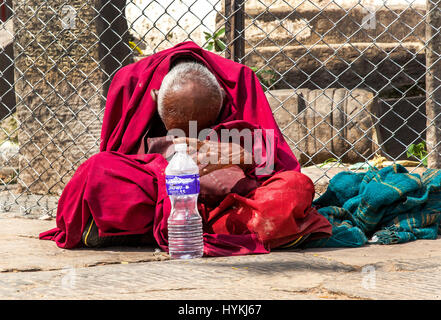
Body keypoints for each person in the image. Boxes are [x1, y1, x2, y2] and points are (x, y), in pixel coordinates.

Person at [39, 41, 331, 256]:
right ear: (155, 101)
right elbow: (118, 156)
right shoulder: (132, 83)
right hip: (161, 189)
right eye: (178, 129)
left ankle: (132, 230)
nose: (192, 138)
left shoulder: (240, 82)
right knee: (97, 172)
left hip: (227, 199)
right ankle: (261, 230)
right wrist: (165, 157)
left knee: (296, 188)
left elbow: (279, 168)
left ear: (222, 99)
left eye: (203, 128)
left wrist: (243, 155)